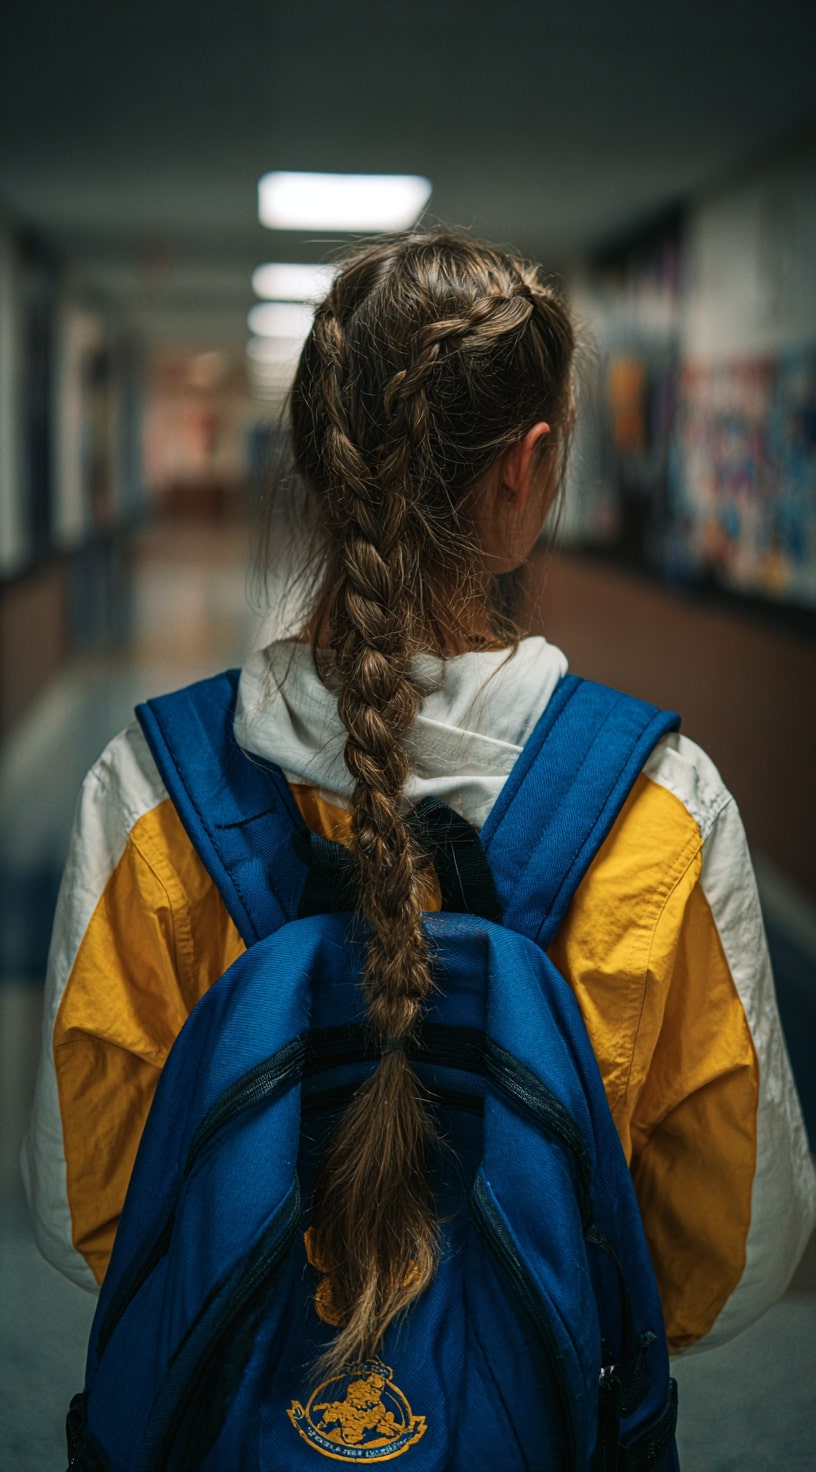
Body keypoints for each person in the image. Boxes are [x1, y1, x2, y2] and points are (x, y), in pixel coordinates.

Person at [23, 232, 815, 1372]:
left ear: (316, 454)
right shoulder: (661, 807)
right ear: (526, 471)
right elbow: (729, 1252)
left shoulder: (150, 790)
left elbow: (83, 1208)